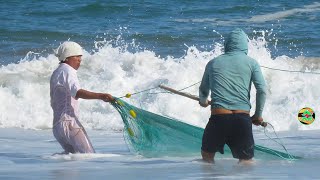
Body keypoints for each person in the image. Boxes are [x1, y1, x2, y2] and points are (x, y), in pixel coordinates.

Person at [198, 28, 267, 164]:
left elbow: (203, 90)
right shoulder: (252, 63)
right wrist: (258, 115)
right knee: (246, 161)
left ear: (227, 45)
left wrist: (203, 101)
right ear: (244, 45)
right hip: (242, 119)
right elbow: (262, 90)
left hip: (219, 118)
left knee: (207, 156)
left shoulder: (213, 63)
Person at [50, 41, 114, 154]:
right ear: (68, 57)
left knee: (73, 158)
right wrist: (101, 96)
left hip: (57, 126)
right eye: (78, 59)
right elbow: (78, 92)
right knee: (89, 156)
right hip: (69, 123)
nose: (79, 62)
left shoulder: (57, 72)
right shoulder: (68, 70)